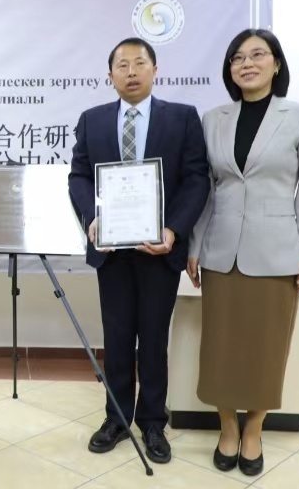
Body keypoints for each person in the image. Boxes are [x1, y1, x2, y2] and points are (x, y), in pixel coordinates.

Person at [187, 29, 299, 476]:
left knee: (267, 348)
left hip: (277, 250)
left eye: (257, 55)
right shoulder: (213, 119)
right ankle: (228, 426)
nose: (246, 64)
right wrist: (195, 244)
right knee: (220, 346)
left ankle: (254, 430)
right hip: (221, 250)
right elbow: (207, 190)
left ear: (276, 63)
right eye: (237, 58)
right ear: (229, 69)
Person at [68, 37, 210, 464]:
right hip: (111, 251)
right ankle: (116, 418)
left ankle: (152, 423)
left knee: (152, 338)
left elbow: (196, 178)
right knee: (115, 338)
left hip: (158, 249)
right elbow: (79, 176)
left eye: (140, 63)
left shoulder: (182, 118)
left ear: (155, 69)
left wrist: (173, 229)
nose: (131, 72)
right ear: (109, 74)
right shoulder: (92, 120)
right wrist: (91, 218)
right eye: (122, 65)